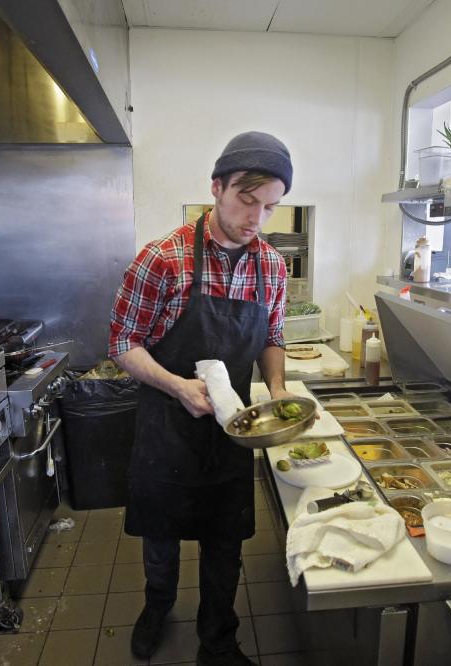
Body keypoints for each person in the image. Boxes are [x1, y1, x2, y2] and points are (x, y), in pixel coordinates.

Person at [109, 131, 295, 666]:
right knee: (161, 537)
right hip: (168, 424)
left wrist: (277, 390)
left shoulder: (271, 267)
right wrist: (176, 385)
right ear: (217, 187)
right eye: (246, 199)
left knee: (225, 540)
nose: (256, 218)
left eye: (270, 207)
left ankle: (218, 638)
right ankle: (156, 609)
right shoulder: (163, 259)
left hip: (230, 428)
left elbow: (273, 336)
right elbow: (122, 342)